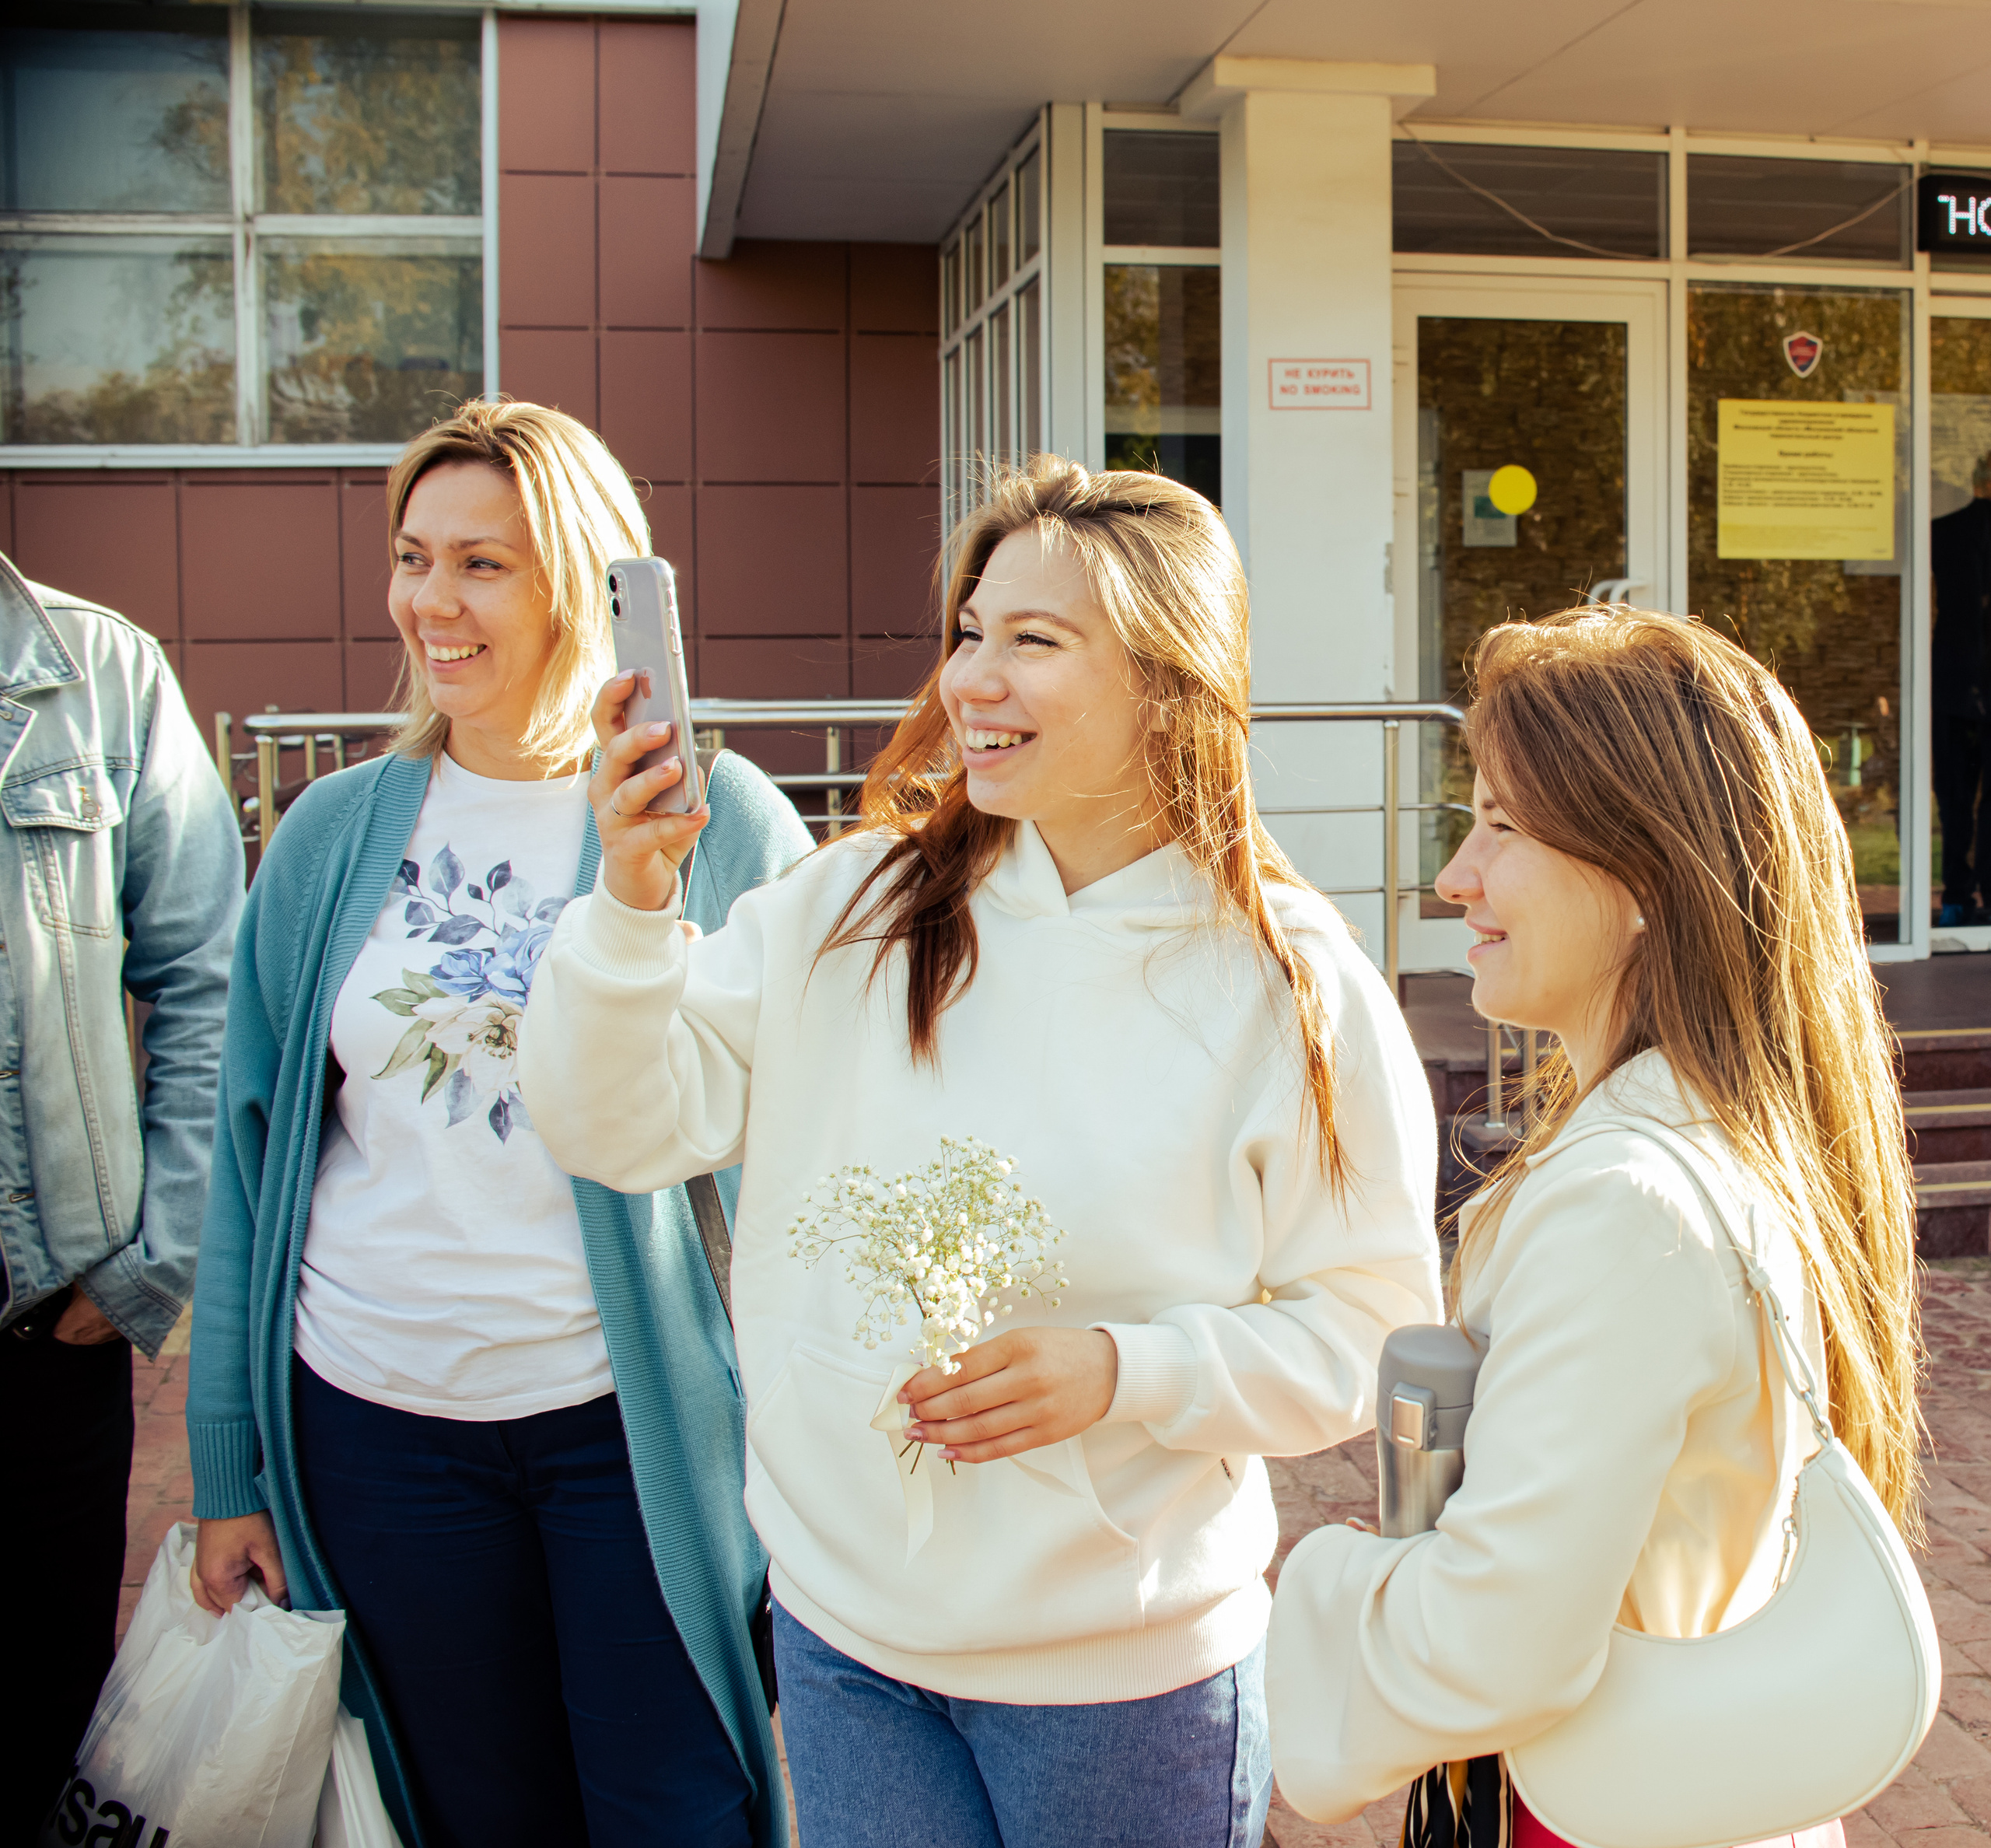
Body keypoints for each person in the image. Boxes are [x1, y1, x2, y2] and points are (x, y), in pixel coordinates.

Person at [518, 457, 1443, 1848]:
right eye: (967, 632)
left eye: (1033, 641)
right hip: (843, 1640)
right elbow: (613, 1123)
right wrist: (633, 908)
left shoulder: (1287, 982)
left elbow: (1372, 1331)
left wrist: (1127, 1371)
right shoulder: (848, 905)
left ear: (1167, 681)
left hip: (1128, 1680)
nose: (970, 681)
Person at [186, 400, 811, 1848]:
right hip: (375, 1425)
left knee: (678, 1812)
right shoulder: (332, 834)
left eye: (483, 563)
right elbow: (250, 1161)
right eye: (414, 558)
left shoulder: (722, 822)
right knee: (470, 1818)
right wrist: (229, 1468)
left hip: (632, 1433)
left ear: (585, 584)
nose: (432, 601)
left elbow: (805, 1148)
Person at [1264, 608, 1921, 1847]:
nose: (1456, 877)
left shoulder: (1625, 1203)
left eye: (1505, 827)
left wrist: (1326, 1585)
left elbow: (1496, 1642)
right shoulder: (1710, 1137)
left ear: (1647, 875)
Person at [0, 557, 243, 1841]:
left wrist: (148, 1266)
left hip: (42, 1326)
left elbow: (208, 974)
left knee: (45, 1732)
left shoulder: (95, 676)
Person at [1931, 453, 1991, 926]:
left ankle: (1956, 895)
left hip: (1953, 673)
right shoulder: (1948, 530)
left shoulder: (1945, 531)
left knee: (1955, 795)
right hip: (1968, 675)